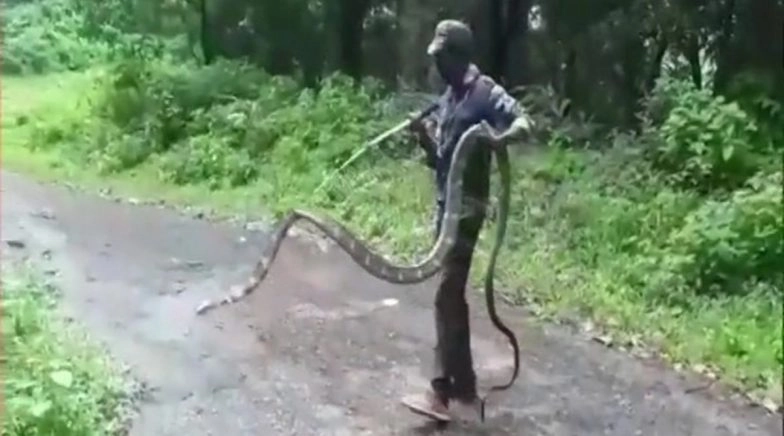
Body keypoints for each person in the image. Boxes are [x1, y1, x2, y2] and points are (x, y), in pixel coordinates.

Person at [401, 19, 533, 422]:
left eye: (442, 58)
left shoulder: (485, 92)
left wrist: (498, 139)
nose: (438, 66)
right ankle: (466, 384)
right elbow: (443, 162)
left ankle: (440, 392)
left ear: (460, 56)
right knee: (452, 295)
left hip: (469, 211)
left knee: (445, 293)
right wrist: (424, 136)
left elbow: (525, 122)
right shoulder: (448, 99)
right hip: (445, 209)